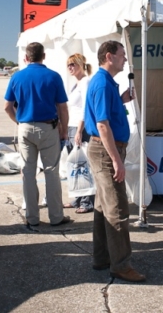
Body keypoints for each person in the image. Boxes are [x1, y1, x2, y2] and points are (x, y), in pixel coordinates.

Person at [84, 40, 145, 283]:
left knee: (103, 207)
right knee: (118, 209)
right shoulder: (101, 83)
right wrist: (116, 160)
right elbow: (101, 124)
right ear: (109, 56)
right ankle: (121, 265)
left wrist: (120, 99)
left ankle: (102, 258)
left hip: (104, 149)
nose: (124, 60)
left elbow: (103, 115)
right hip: (106, 150)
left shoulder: (106, 83)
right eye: (121, 56)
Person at [4, 42, 71, 227]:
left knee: (28, 172)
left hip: (25, 127)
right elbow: (62, 107)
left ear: (26, 58)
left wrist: (19, 121)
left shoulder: (17, 77)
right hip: (48, 128)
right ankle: (56, 216)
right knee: (51, 172)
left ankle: (32, 217)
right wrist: (64, 130)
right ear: (44, 56)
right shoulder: (53, 76)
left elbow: (7, 106)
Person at [63, 53, 94, 214]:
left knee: (83, 166)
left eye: (73, 64)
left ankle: (87, 201)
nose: (70, 68)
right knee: (75, 165)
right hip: (71, 126)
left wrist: (80, 130)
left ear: (81, 65)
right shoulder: (76, 84)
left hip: (79, 127)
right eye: (69, 65)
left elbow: (85, 108)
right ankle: (77, 198)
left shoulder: (85, 82)